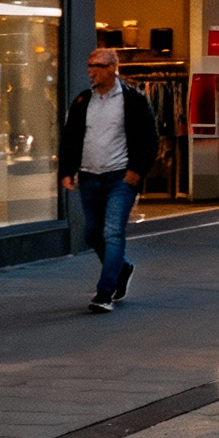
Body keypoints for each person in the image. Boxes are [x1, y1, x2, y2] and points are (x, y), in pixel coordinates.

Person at [58, 47, 159, 315]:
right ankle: (122, 269)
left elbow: (150, 140)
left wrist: (136, 171)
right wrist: (67, 170)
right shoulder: (83, 101)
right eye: (89, 66)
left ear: (113, 68)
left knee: (112, 232)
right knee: (92, 233)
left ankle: (105, 292)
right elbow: (70, 138)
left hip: (120, 177)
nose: (91, 71)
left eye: (98, 66)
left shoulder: (133, 100)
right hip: (89, 176)